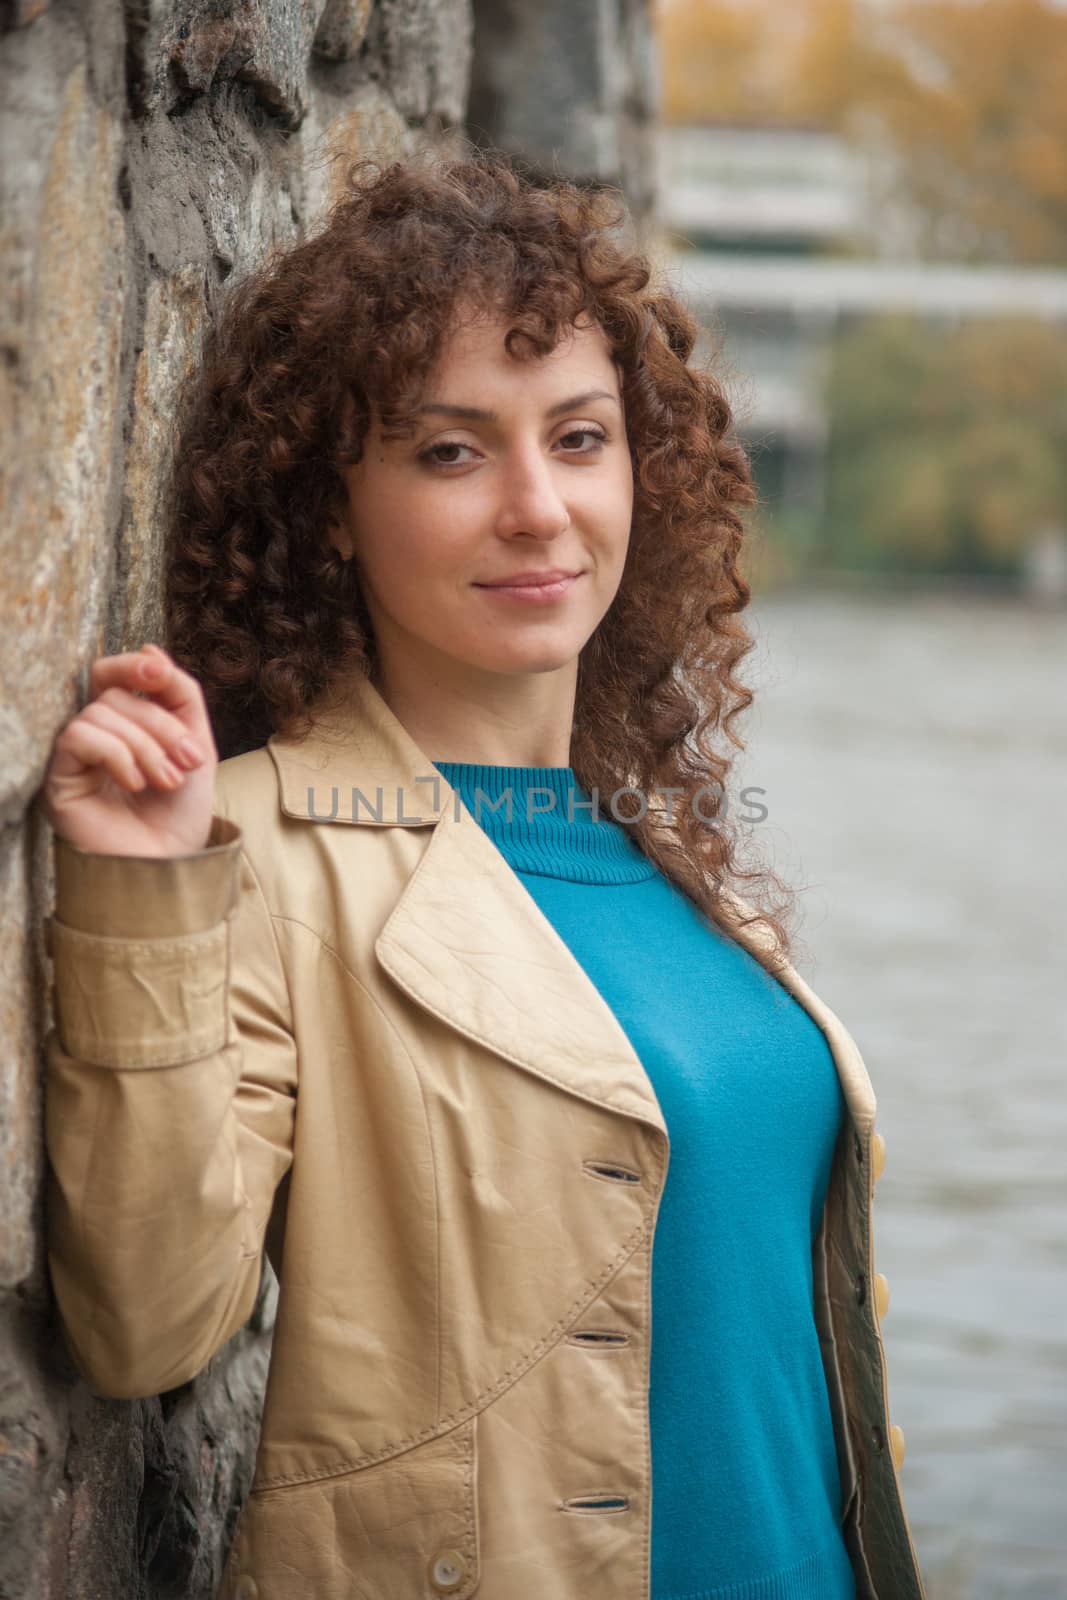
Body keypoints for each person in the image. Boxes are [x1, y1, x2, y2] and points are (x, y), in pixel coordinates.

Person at [38, 148, 926, 1600]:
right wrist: (140, 900)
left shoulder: (675, 864)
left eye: (578, 438)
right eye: (451, 451)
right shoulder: (257, 852)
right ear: (330, 506)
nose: (536, 507)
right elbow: (147, 1322)